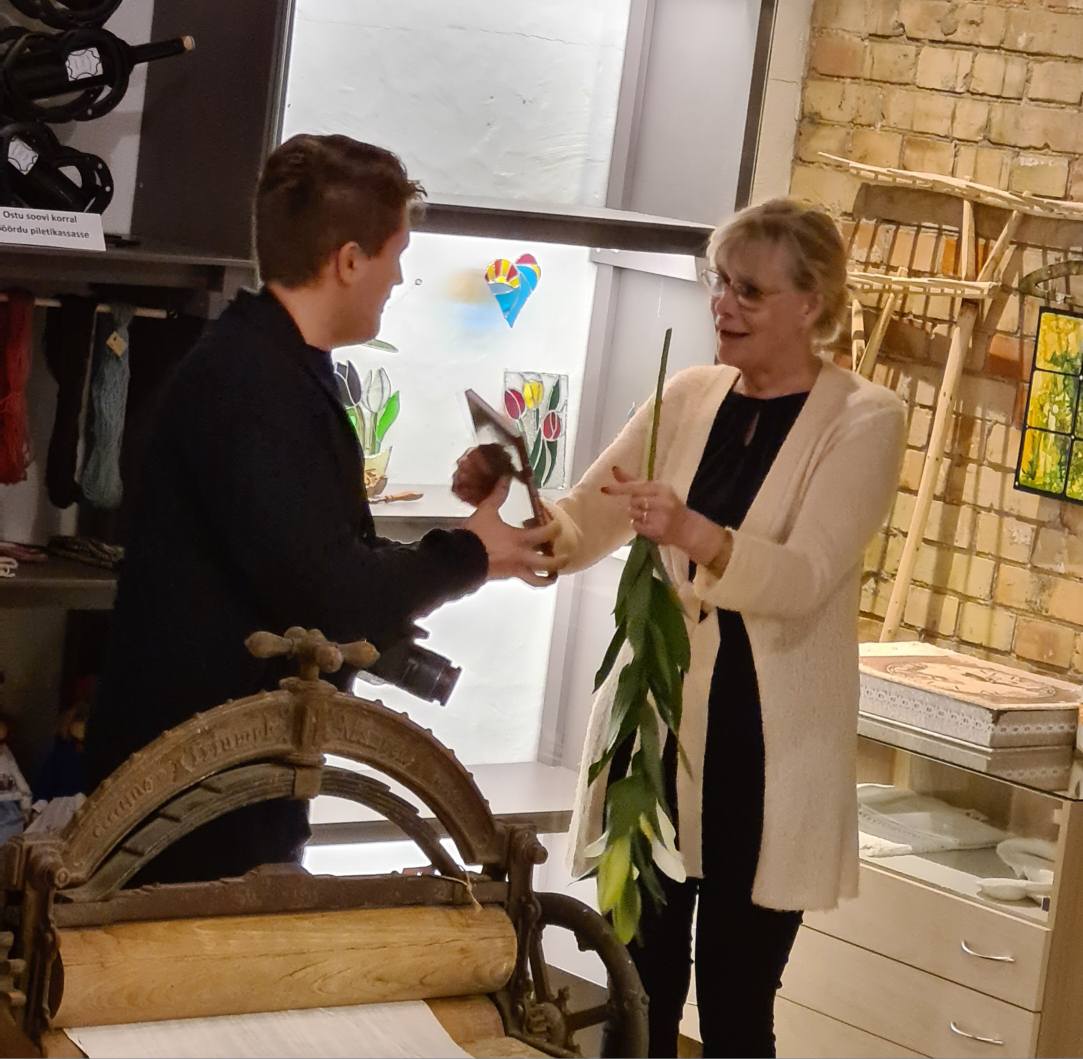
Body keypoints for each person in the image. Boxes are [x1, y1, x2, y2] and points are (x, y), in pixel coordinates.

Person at [454, 199, 906, 1057]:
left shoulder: (864, 418)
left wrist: (693, 532)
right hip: (656, 731)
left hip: (765, 749)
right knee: (637, 987)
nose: (721, 305)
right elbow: (587, 517)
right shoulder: (691, 392)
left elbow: (805, 577)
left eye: (748, 291)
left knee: (735, 1002)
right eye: (718, 283)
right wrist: (516, 506)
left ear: (810, 303)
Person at [85, 134, 559, 883]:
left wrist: (469, 547)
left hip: (225, 779)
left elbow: (304, 548)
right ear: (348, 260)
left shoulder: (267, 365)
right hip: (198, 802)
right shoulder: (251, 385)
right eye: (395, 255)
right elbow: (328, 591)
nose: (398, 277)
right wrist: (469, 554)